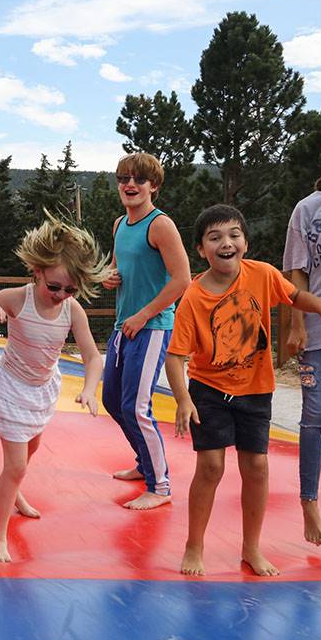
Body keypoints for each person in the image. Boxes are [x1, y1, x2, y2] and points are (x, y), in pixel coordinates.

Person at [167, 205, 321, 577]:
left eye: (233, 235)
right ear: (201, 249)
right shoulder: (194, 298)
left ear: (245, 242)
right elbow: (176, 356)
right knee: (211, 466)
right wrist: (182, 398)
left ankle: (251, 548)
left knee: (257, 467)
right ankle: (194, 545)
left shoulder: (262, 275)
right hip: (209, 389)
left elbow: (296, 297)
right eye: (214, 238)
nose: (225, 243)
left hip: (256, 390)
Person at [0, 215, 110, 562]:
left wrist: (89, 389)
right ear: (38, 272)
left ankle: (15, 492)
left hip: (41, 389)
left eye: (70, 290)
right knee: (15, 465)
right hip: (9, 388)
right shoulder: (18, 298)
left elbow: (92, 356)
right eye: (54, 287)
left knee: (33, 445)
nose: (61, 295)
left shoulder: (72, 311)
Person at [102, 152, 191, 509]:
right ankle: (145, 463)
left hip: (151, 327)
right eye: (124, 178)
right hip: (123, 325)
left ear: (153, 185)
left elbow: (182, 279)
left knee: (136, 407)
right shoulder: (119, 224)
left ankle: (161, 486)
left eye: (139, 179)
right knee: (112, 400)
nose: (130, 185)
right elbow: (115, 267)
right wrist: (109, 277)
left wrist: (144, 315)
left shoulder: (160, 225)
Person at [282, 127, 321, 545]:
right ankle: (310, 503)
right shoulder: (307, 209)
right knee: (315, 417)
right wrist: (298, 322)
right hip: (319, 325)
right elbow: (296, 272)